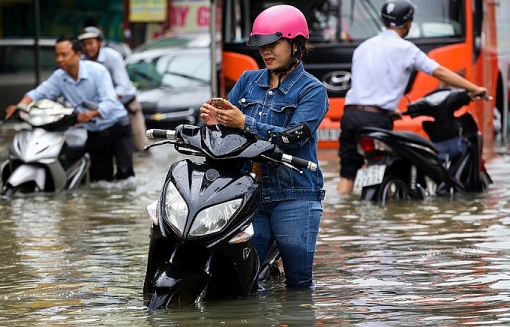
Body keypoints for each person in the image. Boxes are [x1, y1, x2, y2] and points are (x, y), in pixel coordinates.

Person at [199, 5, 328, 289]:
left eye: (273, 44)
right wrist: (214, 122)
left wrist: (244, 121)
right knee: (242, 283)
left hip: (295, 195)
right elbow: (227, 138)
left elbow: (294, 138)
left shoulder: (312, 90)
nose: (266, 52)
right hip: (249, 196)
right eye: (261, 46)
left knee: (298, 285)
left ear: (296, 43)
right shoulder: (247, 81)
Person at [336, 0, 488, 195]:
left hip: (350, 115)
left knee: (347, 172)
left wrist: (391, 110)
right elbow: (439, 71)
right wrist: (474, 88)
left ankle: (344, 208)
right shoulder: (406, 49)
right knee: (397, 162)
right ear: (408, 23)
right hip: (377, 119)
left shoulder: (363, 48)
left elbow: (367, 84)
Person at [5, 35, 134, 182]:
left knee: (125, 176)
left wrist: (91, 114)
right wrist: (20, 106)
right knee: (101, 180)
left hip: (118, 128)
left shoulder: (98, 71)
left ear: (78, 55)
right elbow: (39, 92)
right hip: (94, 134)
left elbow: (110, 102)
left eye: (64, 54)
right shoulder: (59, 77)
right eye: (57, 55)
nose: (59, 59)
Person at [78, 26, 150, 153]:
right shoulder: (82, 61)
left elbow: (122, 85)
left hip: (127, 105)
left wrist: (108, 101)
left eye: (91, 43)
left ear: (99, 43)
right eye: (84, 44)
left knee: (140, 146)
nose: (88, 48)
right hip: (102, 109)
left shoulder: (113, 57)